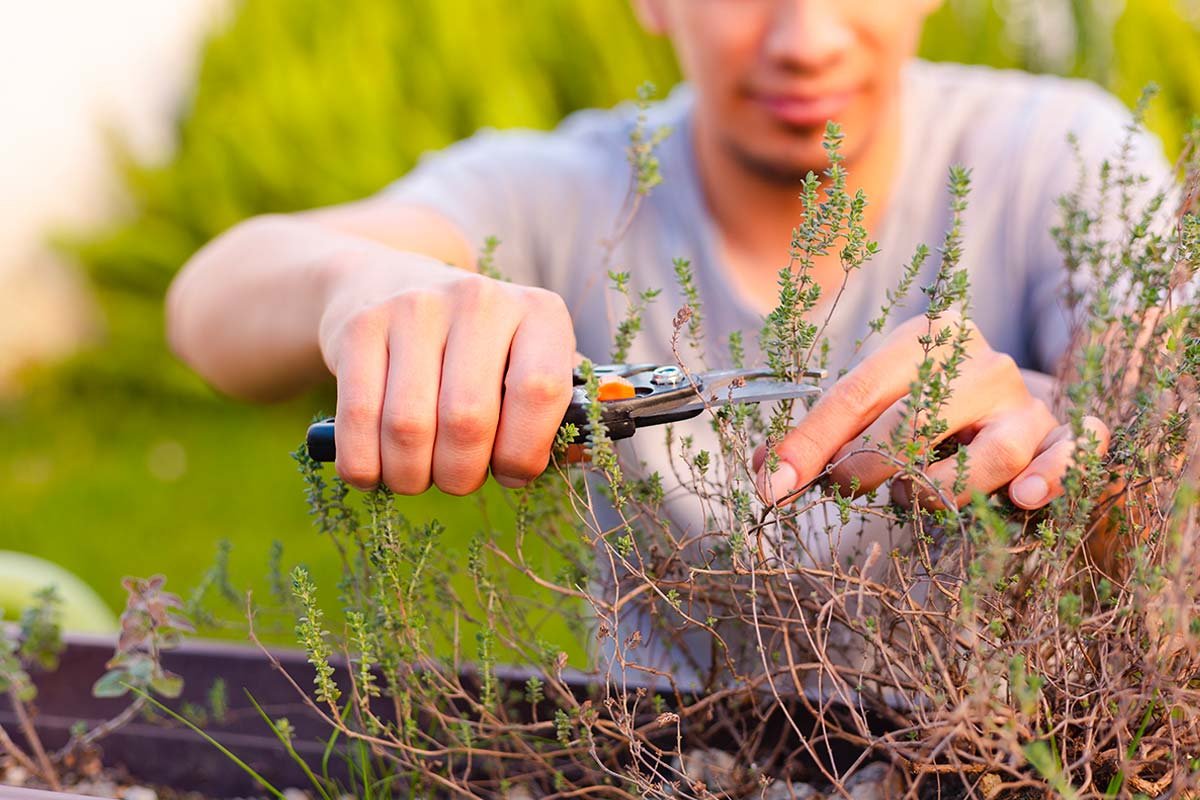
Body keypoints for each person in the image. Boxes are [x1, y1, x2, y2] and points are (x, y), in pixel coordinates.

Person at [166, 1, 1166, 684]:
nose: (806, 38)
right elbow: (209, 305)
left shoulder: (1064, 161)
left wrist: (1069, 441)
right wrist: (362, 286)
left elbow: (1158, 420)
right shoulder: (568, 192)